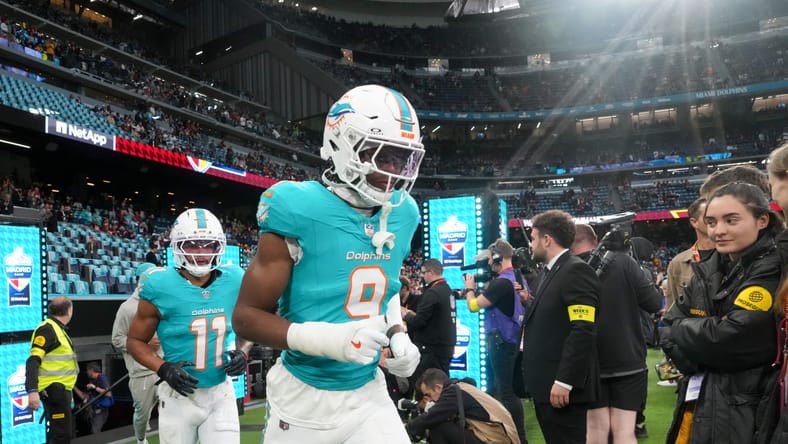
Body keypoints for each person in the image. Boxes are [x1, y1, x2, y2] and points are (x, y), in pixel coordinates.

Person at [232, 84, 425, 443]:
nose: (392, 170)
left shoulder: (404, 213)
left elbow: (385, 288)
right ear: (343, 144)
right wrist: (328, 340)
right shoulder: (297, 206)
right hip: (303, 396)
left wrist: (399, 334)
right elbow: (246, 317)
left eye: (401, 158)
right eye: (380, 155)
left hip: (367, 391)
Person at [660, 182, 782, 443]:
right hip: (702, 405)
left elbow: (731, 338)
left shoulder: (774, 269)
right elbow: (667, 327)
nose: (718, 230)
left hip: (752, 414)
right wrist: (701, 352)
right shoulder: (707, 269)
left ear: (762, 220)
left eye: (731, 220)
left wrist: (688, 334)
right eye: (712, 222)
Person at [127, 208, 249, 444]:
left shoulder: (235, 279)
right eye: (192, 244)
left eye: (209, 245)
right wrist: (163, 368)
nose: (201, 253)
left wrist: (243, 351)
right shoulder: (159, 285)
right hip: (178, 397)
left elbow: (250, 322)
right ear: (177, 246)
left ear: (219, 247)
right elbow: (135, 341)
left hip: (220, 392)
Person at [571, 224, 662, 444]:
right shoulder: (623, 262)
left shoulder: (568, 269)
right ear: (595, 239)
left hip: (589, 362)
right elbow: (654, 303)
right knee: (624, 432)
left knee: (595, 431)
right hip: (628, 359)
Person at [522, 210, 601, 443]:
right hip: (547, 386)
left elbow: (583, 329)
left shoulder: (575, 271)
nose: (531, 245)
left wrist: (565, 381)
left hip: (562, 389)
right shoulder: (550, 272)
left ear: (547, 239)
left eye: (533, 238)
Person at [462, 238, 528, 443]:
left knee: (505, 392)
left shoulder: (501, 283)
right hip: (512, 339)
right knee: (506, 390)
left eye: (490, 258)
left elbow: (473, 306)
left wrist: (469, 288)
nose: (489, 263)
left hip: (501, 340)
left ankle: (517, 437)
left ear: (498, 257)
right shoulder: (517, 278)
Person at [111, 262, 160, 444]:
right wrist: (144, 344)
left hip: (164, 367)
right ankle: (141, 439)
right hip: (141, 372)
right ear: (140, 280)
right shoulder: (127, 308)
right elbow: (117, 339)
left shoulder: (163, 302)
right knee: (142, 413)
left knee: (172, 408)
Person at [405, 368, 520, 444]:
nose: (430, 400)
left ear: (438, 387)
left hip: (495, 439)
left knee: (438, 426)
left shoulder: (453, 392)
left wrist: (405, 429)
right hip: (498, 437)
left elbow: (431, 416)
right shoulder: (460, 388)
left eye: (429, 395)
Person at [25, 296, 78, 444]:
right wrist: (32, 391)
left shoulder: (57, 329)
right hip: (54, 390)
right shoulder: (48, 329)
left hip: (60, 390)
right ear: (69, 311)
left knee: (63, 435)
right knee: (60, 436)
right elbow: (33, 361)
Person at [401, 258, 456, 381]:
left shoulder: (433, 292)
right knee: (441, 382)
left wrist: (406, 315)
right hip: (444, 347)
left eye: (423, 272)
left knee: (428, 384)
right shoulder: (447, 289)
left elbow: (419, 321)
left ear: (431, 272)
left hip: (432, 349)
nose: (422, 276)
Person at [665, 197, 715, 313]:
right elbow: (672, 309)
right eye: (708, 218)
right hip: (693, 323)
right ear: (694, 222)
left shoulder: (732, 255)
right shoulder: (678, 263)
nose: (714, 221)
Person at [73, 362, 113, 434]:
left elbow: (108, 394)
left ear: (91, 370)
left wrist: (94, 387)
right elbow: (84, 396)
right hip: (93, 410)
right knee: (92, 430)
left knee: (95, 431)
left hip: (101, 410)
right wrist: (73, 387)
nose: (86, 372)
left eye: (87, 370)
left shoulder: (102, 378)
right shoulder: (92, 380)